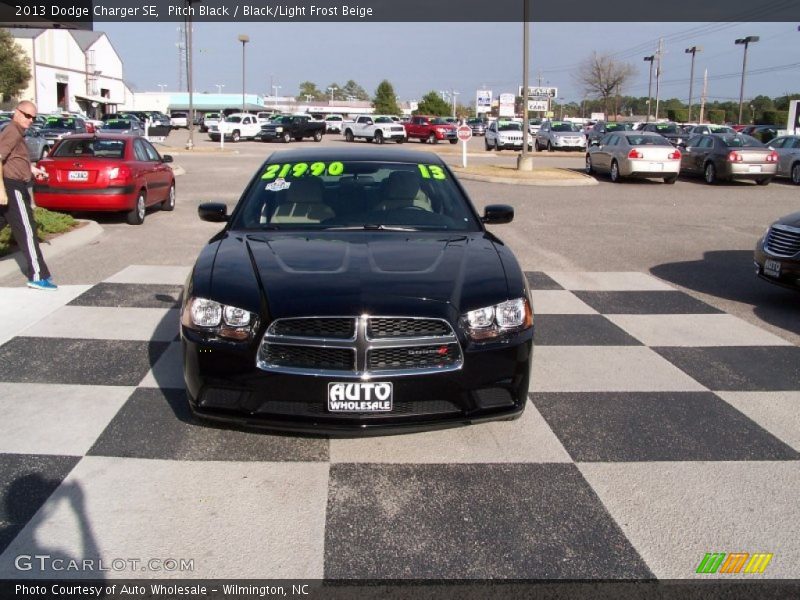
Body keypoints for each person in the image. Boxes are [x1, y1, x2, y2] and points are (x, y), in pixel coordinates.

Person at [0, 100, 57, 290]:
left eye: (33, 117)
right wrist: (1, 192)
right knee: (27, 230)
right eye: (27, 115)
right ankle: (38, 276)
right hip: (12, 187)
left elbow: (13, 160)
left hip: (14, 184)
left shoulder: (17, 132)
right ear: (17, 112)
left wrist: (32, 169)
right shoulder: (12, 131)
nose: (30, 120)